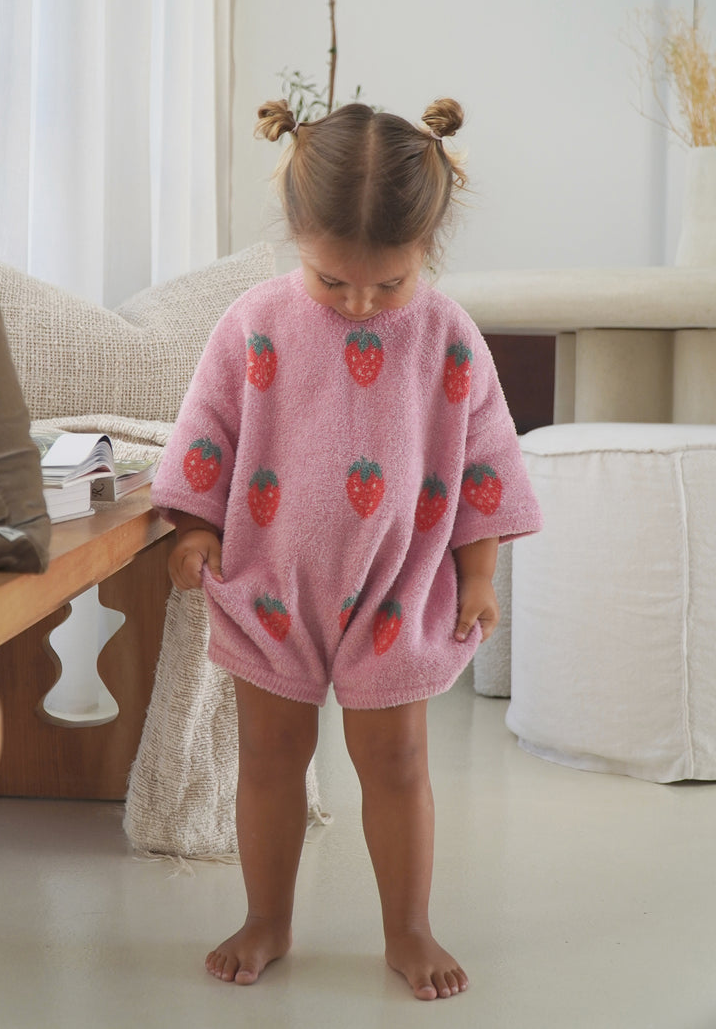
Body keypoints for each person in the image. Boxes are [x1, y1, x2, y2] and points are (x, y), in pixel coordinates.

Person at [151, 97, 542, 1001]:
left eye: (389, 285)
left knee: (398, 762)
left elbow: (485, 455)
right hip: (270, 579)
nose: (362, 302)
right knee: (271, 757)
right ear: (297, 233)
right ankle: (268, 917)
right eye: (335, 283)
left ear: (429, 251)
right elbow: (206, 432)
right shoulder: (253, 324)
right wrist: (197, 528)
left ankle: (408, 927)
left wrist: (478, 574)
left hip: (399, 586)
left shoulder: (447, 336)